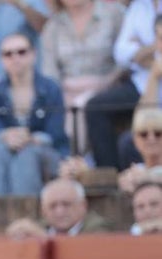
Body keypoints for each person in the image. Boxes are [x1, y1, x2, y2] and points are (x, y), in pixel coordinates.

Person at [0, 32, 69, 196]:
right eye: (8, 54)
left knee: (26, 152)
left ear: (33, 54)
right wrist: (8, 136)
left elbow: (55, 133)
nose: (15, 58)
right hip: (8, 150)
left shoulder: (51, 88)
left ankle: (27, 211)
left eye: (21, 52)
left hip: (48, 154)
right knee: (1, 149)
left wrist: (28, 139)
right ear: (2, 60)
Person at [38, 0, 123, 156]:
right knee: (64, 107)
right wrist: (64, 90)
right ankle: (73, 163)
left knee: (81, 105)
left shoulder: (113, 14)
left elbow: (125, 59)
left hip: (108, 87)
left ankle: (75, 159)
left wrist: (106, 81)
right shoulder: (53, 25)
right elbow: (49, 72)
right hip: (67, 90)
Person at [84, 2, 159, 170]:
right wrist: (154, 49)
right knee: (96, 107)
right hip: (141, 82)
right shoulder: (140, 6)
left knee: (139, 136)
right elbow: (121, 53)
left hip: (150, 82)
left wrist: (142, 49)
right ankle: (109, 176)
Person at [5, 177, 110, 238]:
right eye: (52, 206)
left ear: (83, 205)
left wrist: (43, 239)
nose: (60, 211)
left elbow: (83, 255)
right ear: (43, 211)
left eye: (66, 204)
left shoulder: (98, 228)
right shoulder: (40, 227)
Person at [116, 105, 162, 193]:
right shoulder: (131, 175)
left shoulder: (138, 175)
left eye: (158, 133)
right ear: (135, 140)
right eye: (143, 134)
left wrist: (146, 178)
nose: (151, 139)